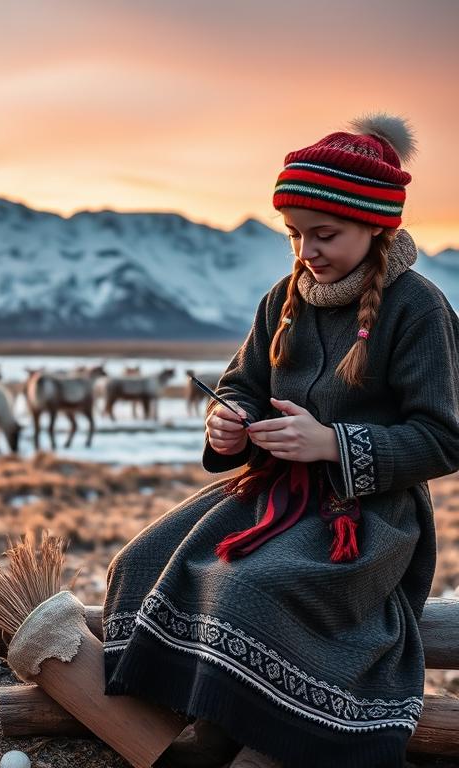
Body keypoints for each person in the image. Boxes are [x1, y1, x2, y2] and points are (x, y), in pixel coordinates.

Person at [103, 114, 459, 768]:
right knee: (141, 559)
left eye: (324, 235)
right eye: (295, 236)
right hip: (270, 495)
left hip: (366, 518)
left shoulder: (419, 308)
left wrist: (331, 444)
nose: (306, 253)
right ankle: (202, 719)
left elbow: (443, 437)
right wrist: (230, 421)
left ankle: (257, 732)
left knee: (250, 590)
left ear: (376, 226)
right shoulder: (284, 298)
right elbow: (243, 381)